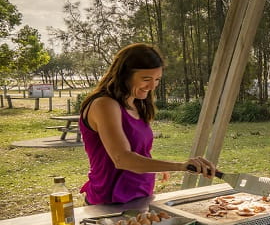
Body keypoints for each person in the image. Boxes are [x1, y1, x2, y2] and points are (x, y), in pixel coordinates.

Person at [79, 43, 216, 204]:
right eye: (146, 79)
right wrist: (180, 166)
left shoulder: (136, 104)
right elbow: (122, 159)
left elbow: (138, 151)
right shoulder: (104, 104)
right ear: (124, 75)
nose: (152, 86)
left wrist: (156, 167)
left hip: (140, 197)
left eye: (157, 79)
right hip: (109, 202)